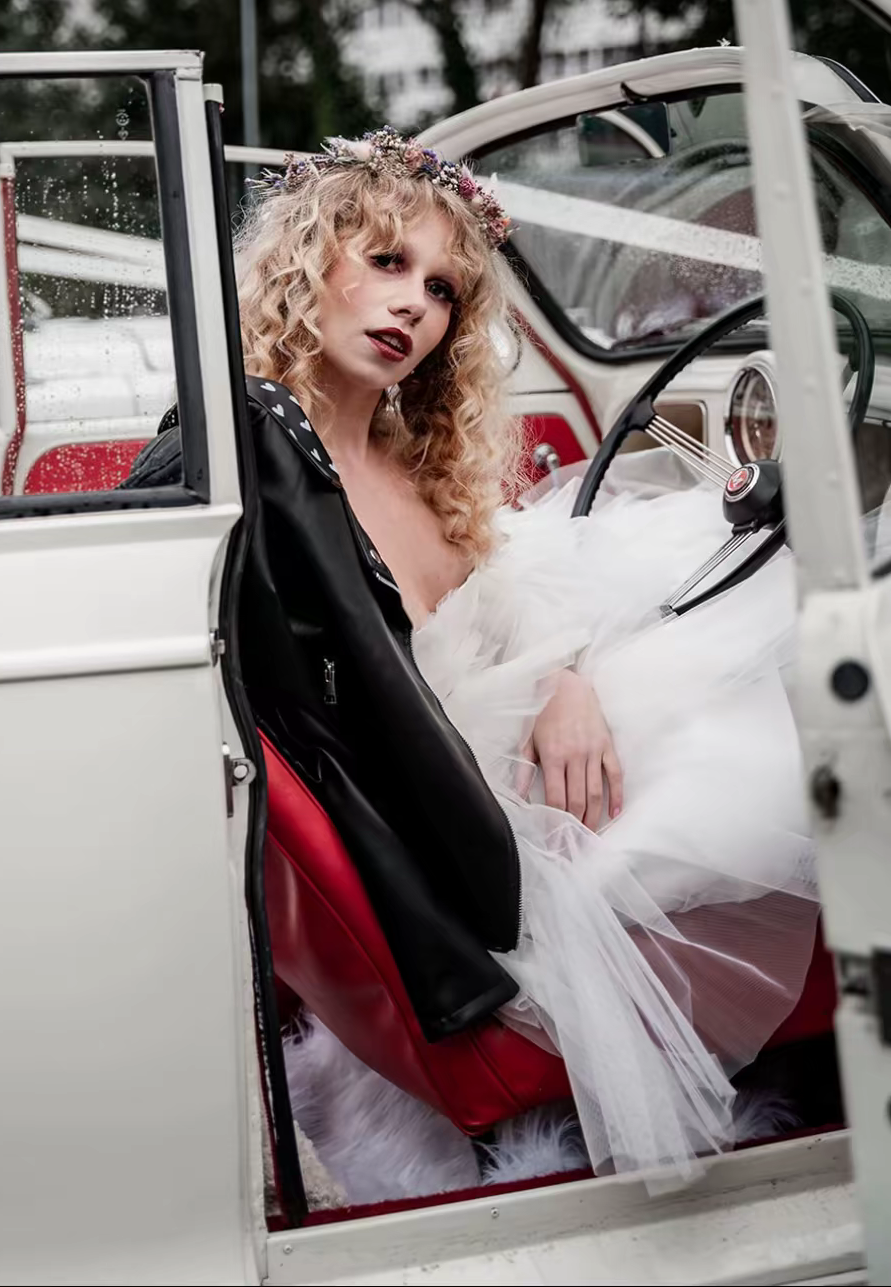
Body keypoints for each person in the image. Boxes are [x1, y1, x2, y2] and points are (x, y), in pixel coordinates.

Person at [126, 127, 817, 1181]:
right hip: (465, 811)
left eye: (444, 289)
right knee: (768, 714)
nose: (413, 304)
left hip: (523, 736)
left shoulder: (412, 466)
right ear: (310, 261)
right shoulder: (261, 458)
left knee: (770, 627)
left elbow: (513, 598)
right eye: (387, 262)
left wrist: (566, 676)